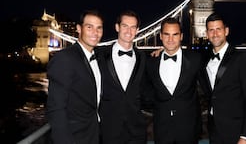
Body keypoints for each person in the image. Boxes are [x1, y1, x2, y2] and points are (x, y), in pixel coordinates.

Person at [46, 10, 104, 144]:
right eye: (89, 27)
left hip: (94, 135)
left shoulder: (99, 57)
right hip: (74, 138)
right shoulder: (64, 58)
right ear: (79, 29)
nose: (95, 33)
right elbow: (56, 109)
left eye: (99, 28)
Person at [144, 17, 205, 144]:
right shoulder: (150, 62)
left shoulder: (195, 59)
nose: (170, 39)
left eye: (175, 34)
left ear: (181, 36)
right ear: (160, 36)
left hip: (189, 130)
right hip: (162, 130)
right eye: (166, 34)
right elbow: (145, 90)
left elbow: (208, 89)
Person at [204, 12, 246, 144]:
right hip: (213, 130)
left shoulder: (241, 58)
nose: (215, 34)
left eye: (218, 29)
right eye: (211, 30)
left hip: (236, 132)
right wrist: (163, 51)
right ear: (206, 34)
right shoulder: (203, 58)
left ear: (226, 31)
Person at [98, 10, 148, 144]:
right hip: (108, 130)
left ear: (137, 30)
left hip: (136, 131)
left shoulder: (143, 58)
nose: (128, 31)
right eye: (125, 26)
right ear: (117, 27)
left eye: (133, 27)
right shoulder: (99, 56)